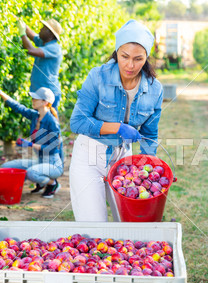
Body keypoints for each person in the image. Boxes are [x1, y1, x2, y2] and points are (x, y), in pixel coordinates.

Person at [69, 20, 164, 222]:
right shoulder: (98, 77)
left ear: (147, 57)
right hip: (90, 155)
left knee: (129, 224)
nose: (130, 65)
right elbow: (77, 122)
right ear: (116, 52)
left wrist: (150, 171)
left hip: (123, 160)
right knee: (94, 226)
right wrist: (118, 128)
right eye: (125, 57)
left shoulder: (155, 89)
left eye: (138, 59)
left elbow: (150, 135)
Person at [0, 82, 64, 198]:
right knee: (6, 167)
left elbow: (53, 147)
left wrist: (30, 145)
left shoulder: (52, 122)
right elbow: (18, 107)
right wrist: (0, 92)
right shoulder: (35, 116)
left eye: (35, 98)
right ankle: (41, 183)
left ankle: (53, 184)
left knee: (31, 172)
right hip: (40, 161)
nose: (33, 100)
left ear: (44, 102)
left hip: (53, 164)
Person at [17, 18, 63, 112]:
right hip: (39, 93)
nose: (40, 29)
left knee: (49, 123)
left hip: (48, 95)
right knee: (38, 121)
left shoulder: (54, 48)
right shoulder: (43, 42)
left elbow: (31, 50)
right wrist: (20, 22)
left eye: (43, 27)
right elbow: (32, 34)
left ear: (50, 33)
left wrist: (22, 33)